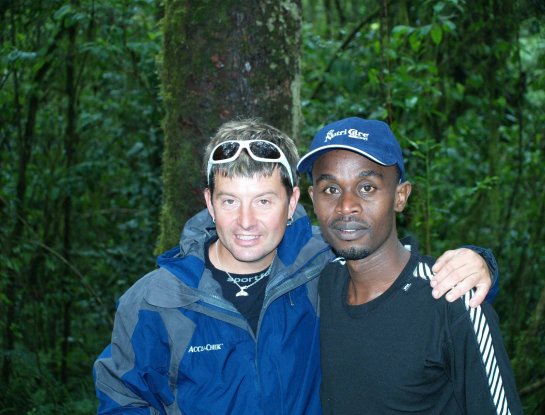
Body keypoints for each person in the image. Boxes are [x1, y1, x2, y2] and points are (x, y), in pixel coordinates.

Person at [94, 119, 498, 414]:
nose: (246, 221)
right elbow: (122, 398)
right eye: (231, 200)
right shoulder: (155, 301)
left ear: (291, 205)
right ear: (209, 203)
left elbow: (388, 267)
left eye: (264, 201)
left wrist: (481, 264)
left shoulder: (321, 269)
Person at [296, 117, 522, 414]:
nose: (346, 205)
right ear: (313, 198)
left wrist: (484, 262)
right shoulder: (316, 286)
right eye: (330, 189)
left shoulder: (452, 299)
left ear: (400, 196)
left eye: (366, 187)